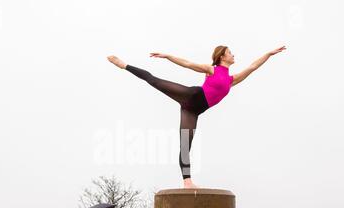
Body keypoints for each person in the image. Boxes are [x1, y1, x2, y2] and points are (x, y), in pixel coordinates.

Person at [107, 45, 286, 188]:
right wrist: (168, 56)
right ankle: (124, 65)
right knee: (154, 80)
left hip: (192, 111)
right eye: (230, 52)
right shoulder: (211, 69)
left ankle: (187, 181)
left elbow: (253, 67)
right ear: (222, 56)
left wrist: (268, 54)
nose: (233, 55)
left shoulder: (233, 80)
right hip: (191, 96)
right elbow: (187, 63)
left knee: (186, 144)